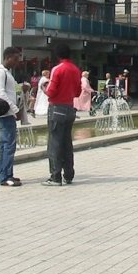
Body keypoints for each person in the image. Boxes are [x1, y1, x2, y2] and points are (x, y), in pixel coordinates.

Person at [43, 44, 81, 186]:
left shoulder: (57, 69)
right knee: (66, 142)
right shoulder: (76, 69)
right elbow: (78, 92)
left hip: (57, 108)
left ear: (57, 55)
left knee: (54, 143)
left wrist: (44, 88)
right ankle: (69, 174)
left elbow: (51, 91)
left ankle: (55, 176)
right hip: (70, 108)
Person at [0, 46, 22, 187]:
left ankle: (6, 174)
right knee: (7, 145)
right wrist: (15, 109)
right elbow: (0, 93)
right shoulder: (0, 73)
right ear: (8, 57)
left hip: (8, 114)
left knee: (7, 145)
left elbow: (9, 91)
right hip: (5, 114)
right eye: (15, 59)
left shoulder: (7, 73)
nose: (17, 62)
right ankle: (4, 176)